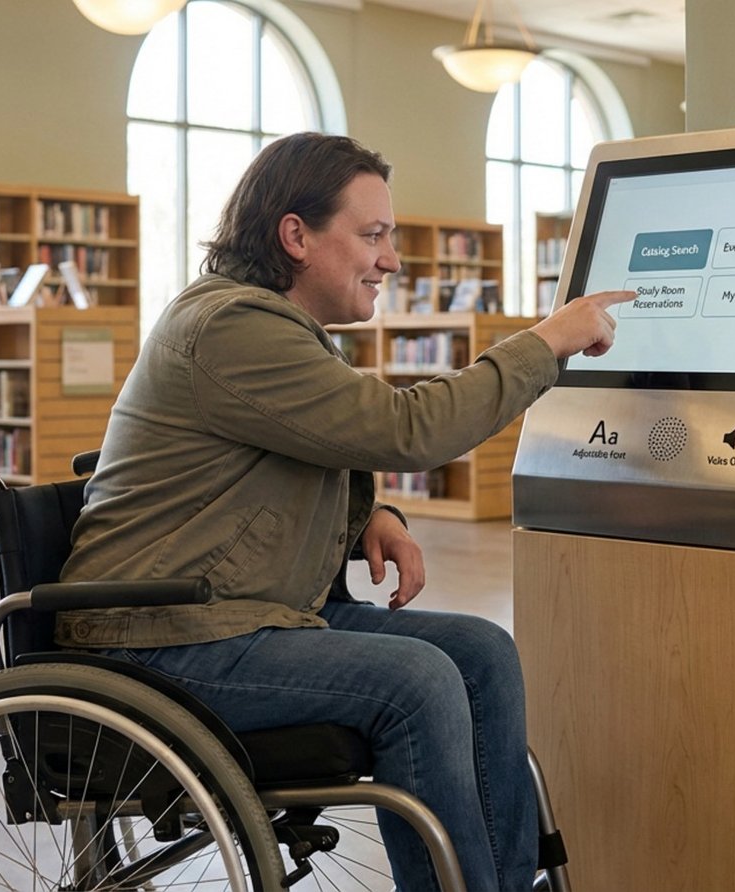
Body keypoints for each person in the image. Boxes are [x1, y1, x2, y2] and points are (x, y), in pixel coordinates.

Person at [57, 131, 633, 892]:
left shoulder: (278, 329)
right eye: (373, 235)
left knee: (483, 652)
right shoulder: (233, 328)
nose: (391, 259)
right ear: (295, 235)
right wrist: (543, 343)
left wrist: (369, 513)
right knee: (418, 681)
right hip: (160, 636)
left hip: (241, 612)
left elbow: (308, 443)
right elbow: (406, 428)